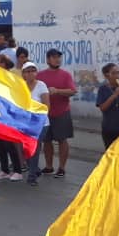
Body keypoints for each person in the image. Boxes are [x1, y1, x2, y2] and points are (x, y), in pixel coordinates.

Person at [37, 49, 78, 178]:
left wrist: (58, 91)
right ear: (48, 59)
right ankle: (49, 166)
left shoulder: (65, 75)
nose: (57, 60)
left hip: (62, 112)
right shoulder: (40, 75)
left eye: (59, 57)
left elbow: (72, 91)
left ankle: (61, 167)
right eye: (54, 57)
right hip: (45, 113)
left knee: (62, 140)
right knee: (46, 141)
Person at [0, 55, 23, 181]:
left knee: (9, 143)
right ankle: (4, 169)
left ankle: (17, 170)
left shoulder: (11, 78)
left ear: (4, 64)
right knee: (0, 144)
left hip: (8, 114)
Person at [21, 62, 50, 186]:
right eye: (27, 71)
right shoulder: (20, 87)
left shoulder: (41, 85)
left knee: (35, 148)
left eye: (33, 70)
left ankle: (32, 176)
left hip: (40, 123)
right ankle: (35, 169)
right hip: (25, 123)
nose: (30, 73)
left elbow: (46, 105)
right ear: (23, 74)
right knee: (26, 149)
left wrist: (37, 115)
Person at [95, 63, 119, 148]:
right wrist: (115, 95)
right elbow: (103, 107)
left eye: (118, 73)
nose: (117, 76)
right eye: (114, 73)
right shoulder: (103, 89)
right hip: (111, 128)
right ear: (107, 75)